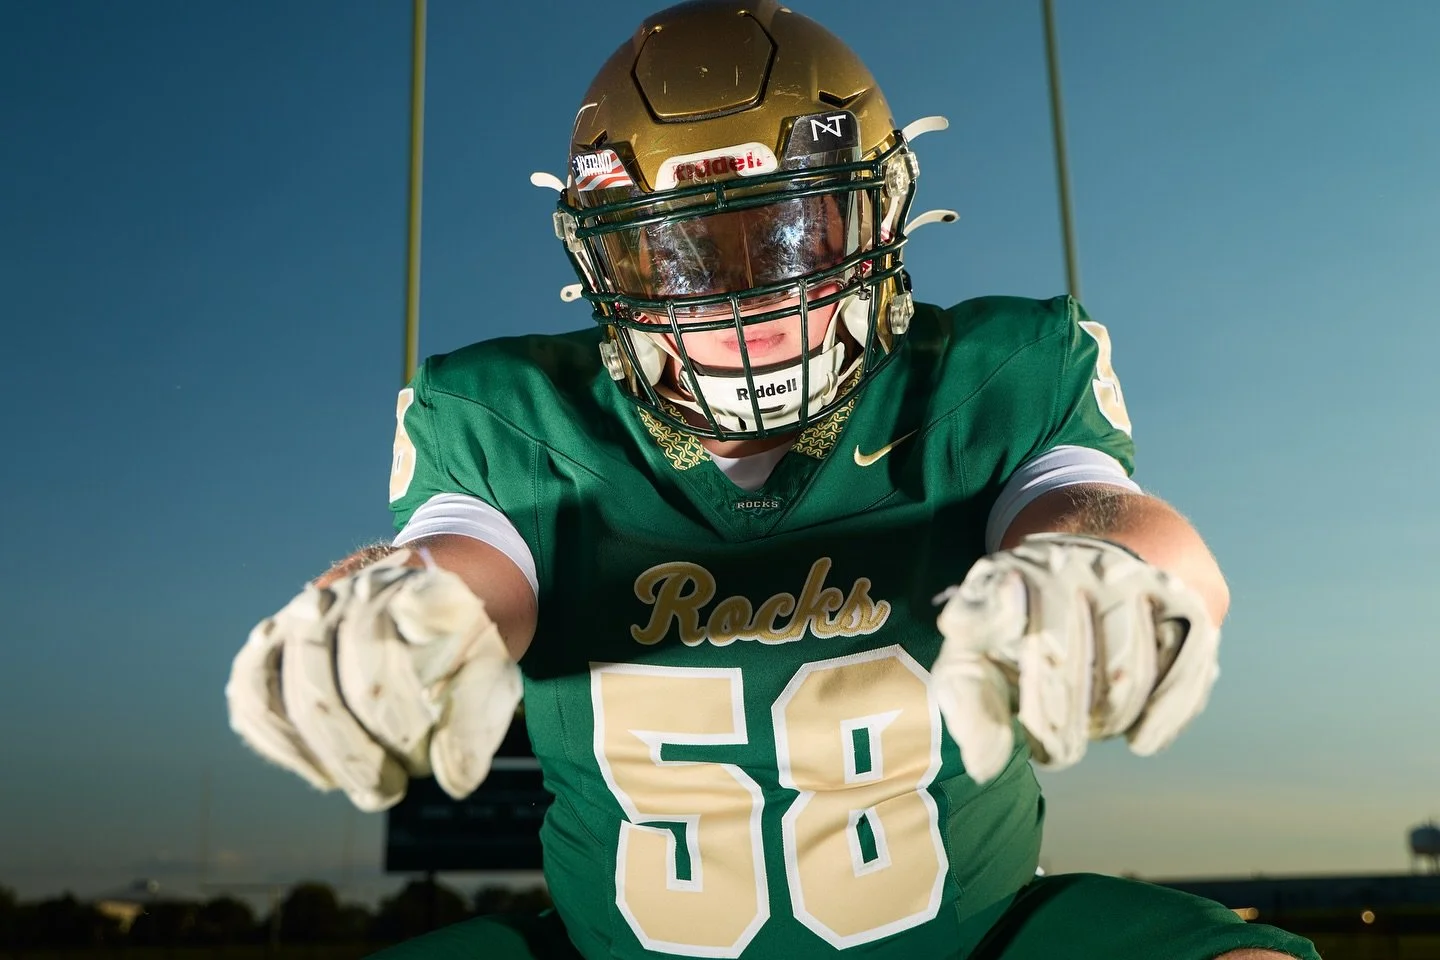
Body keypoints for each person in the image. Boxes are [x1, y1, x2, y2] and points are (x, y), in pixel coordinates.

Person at [226, 3, 1319, 958]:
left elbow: (1105, 513)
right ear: (605, 262)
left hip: (972, 937)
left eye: (787, 234)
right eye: (678, 256)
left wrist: (1100, 565)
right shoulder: (512, 417)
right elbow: (465, 569)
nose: (734, 302)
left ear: (878, 213)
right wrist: (393, 605)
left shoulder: (988, 377)